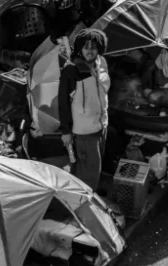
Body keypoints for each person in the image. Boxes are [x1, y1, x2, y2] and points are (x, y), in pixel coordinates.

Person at [59, 28, 111, 195]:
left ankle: (91, 192)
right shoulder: (71, 70)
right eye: (86, 46)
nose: (90, 51)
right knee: (88, 169)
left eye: (94, 47)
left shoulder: (101, 62)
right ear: (80, 48)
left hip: (101, 125)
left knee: (95, 166)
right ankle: (85, 201)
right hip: (83, 131)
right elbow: (63, 102)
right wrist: (65, 131)